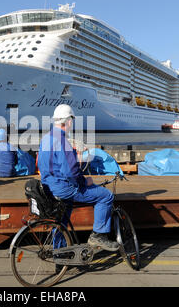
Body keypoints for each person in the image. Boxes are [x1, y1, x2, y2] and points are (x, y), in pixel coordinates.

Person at [37, 104, 119, 251]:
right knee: (105, 196)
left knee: (61, 221)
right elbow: (70, 172)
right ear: (69, 121)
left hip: (49, 187)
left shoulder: (46, 138)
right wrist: (84, 181)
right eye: (71, 122)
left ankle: (59, 254)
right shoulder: (62, 142)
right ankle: (98, 235)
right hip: (64, 188)